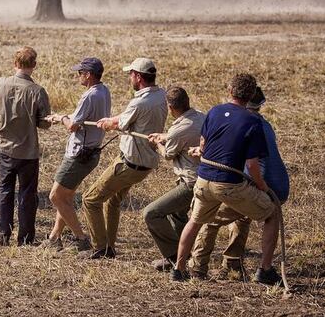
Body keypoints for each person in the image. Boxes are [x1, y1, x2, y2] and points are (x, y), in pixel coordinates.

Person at [171, 74, 282, 286]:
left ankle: (179, 269)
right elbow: (252, 165)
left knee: (194, 222)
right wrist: (262, 187)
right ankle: (265, 269)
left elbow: (203, 144)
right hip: (229, 184)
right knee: (272, 214)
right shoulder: (253, 122)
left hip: (203, 179)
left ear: (230, 91)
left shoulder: (214, 111)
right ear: (250, 96)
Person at [82, 57, 167, 259]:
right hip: (145, 163)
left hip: (129, 163)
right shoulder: (160, 95)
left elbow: (121, 124)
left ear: (138, 76)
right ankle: (109, 247)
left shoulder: (139, 101)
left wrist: (109, 123)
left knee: (90, 200)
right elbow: (128, 117)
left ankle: (100, 248)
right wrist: (112, 119)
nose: (129, 77)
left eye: (131, 74)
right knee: (112, 201)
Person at [44, 57, 111, 252]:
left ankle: (81, 239)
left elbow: (73, 126)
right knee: (66, 196)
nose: (78, 76)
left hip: (79, 154)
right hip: (91, 152)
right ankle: (54, 237)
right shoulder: (104, 90)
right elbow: (81, 118)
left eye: (80, 73)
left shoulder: (89, 96)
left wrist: (62, 118)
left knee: (56, 196)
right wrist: (63, 117)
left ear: (88, 75)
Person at [0, 47, 52, 246]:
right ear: (34, 66)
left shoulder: (0, 84)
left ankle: (3, 234)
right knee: (27, 194)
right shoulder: (38, 91)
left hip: (5, 148)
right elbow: (44, 123)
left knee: (5, 191)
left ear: (15, 63)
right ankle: (25, 238)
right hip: (27, 151)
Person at [143, 86, 205, 271]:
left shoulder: (179, 129)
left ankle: (173, 258)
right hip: (202, 178)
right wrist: (165, 136)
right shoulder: (200, 116)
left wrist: (156, 144)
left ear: (170, 108)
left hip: (191, 183)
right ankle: (183, 255)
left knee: (151, 213)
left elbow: (168, 154)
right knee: (177, 214)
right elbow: (184, 134)